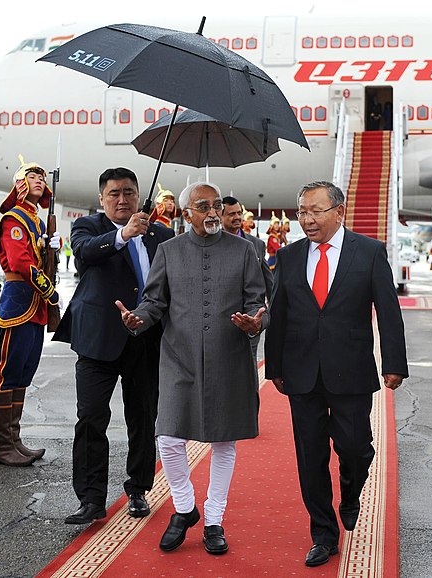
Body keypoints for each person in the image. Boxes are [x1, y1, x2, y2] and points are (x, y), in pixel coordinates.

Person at [116, 181, 267, 556]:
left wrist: (255, 322)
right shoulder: (168, 251)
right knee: (167, 438)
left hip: (229, 356)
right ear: (187, 214)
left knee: (224, 440)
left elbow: (258, 302)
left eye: (217, 205)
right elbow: (154, 301)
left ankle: (214, 519)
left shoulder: (244, 250)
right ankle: (185, 507)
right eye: (204, 206)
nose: (213, 212)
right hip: (178, 357)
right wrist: (138, 319)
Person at [264, 181, 408, 568]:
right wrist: (273, 365)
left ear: (339, 211)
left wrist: (395, 363)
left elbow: (389, 312)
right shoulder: (290, 256)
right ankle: (323, 534)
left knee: (355, 447)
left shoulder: (369, 252)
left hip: (352, 370)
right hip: (302, 372)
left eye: (315, 211)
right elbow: (279, 313)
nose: (307, 220)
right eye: (302, 212)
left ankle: (350, 490)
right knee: (310, 456)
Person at [54, 167, 174, 525]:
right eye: (114, 194)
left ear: (138, 196)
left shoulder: (161, 234)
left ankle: (138, 489)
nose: (122, 200)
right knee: (91, 418)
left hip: (146, 339)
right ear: (102, 198)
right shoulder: (88, 227)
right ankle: (91, 499)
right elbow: (85, 253)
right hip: (97, 340)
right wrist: (123, 234)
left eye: (128, 193)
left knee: (142, 417)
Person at [0, 157, 61, 467]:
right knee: (7, 373)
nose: (39, 180)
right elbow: (20, 262)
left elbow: (40, 256)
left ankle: (14, 440)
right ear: (20, 183)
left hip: (35, 306)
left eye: (41, 177)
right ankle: (1, 445)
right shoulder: (13, 219)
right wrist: (48, 289)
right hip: (19, 299)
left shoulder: (38, 220)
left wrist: (51, 247)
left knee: (23, 372)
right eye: (32, 176)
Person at [221, 196, 273, 359]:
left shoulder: (256, 244)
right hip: (223, 319)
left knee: (248, 366)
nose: (237, 217)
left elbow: (267, 278)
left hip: (251, 316)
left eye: (239, 213)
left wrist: (273, 305)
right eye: (231, 214)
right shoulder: (213, 244)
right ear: (220, 216)